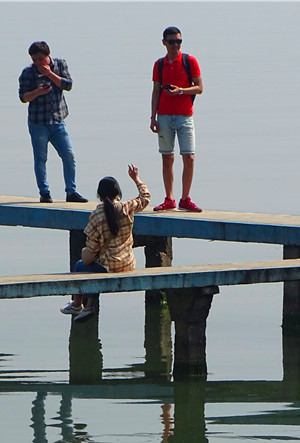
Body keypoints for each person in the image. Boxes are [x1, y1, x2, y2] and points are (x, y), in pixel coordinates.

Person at [60, 165, 150, 321]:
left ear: (99, 195)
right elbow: (145, 197)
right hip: (128, 264)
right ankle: (88, 307)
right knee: (94, 269)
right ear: (118, 193)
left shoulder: (96, 215)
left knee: (81, 266)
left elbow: (92, 248)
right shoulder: (127, 208)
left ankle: (78, 304)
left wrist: (85, 253)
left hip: (108, 267)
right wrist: (136, 178)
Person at [18, 41, 87, 204]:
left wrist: (50, 75)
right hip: (38, 123)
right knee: (41, 158)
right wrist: (37, 92)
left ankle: (71, 192)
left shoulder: (60, 64)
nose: (37, 63)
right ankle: (44, 192)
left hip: (58, 121)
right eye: (34, 60)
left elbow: (68, 85)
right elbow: (23, 97)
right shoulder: (27, 73)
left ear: (48, 55)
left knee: (69, 155)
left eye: (40, 59)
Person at [150, 26, 203, 213]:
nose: (175, 45)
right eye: (171, 41)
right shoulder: (159, 64)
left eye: (178, 41)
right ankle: (169, 198)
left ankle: (185, 198)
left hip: (185, 115)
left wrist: (181, 90)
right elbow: (156, 90)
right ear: (164, 42)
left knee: (189, 157)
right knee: (167, 158)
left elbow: (199, 88)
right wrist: (152, 117)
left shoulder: (190, 61)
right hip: (164, 116)